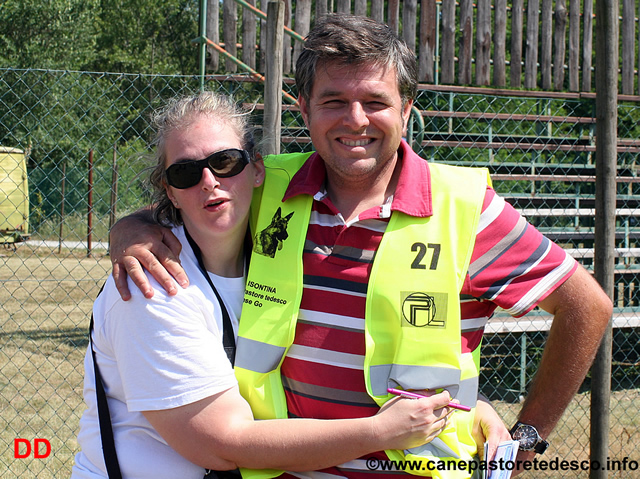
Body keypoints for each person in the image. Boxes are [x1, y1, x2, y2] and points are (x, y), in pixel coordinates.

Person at [109, 15, 612, 479]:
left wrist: (526, 440)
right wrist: (130, 229)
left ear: (406, 109)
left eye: (375, 101)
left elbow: (587, 308)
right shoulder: (269, 187)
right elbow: (199, 198)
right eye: (333, 101)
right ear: (303, 108)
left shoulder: (465, 208)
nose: (355, 120)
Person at [72, 91, 470, 479]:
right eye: (186, 172)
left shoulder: (272, 253)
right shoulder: (152, 284)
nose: (209, 181)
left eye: (225, 161)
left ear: (257, 169)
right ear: (170, 191)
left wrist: (472, 403)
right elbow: (221, 444)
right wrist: (379, 433)